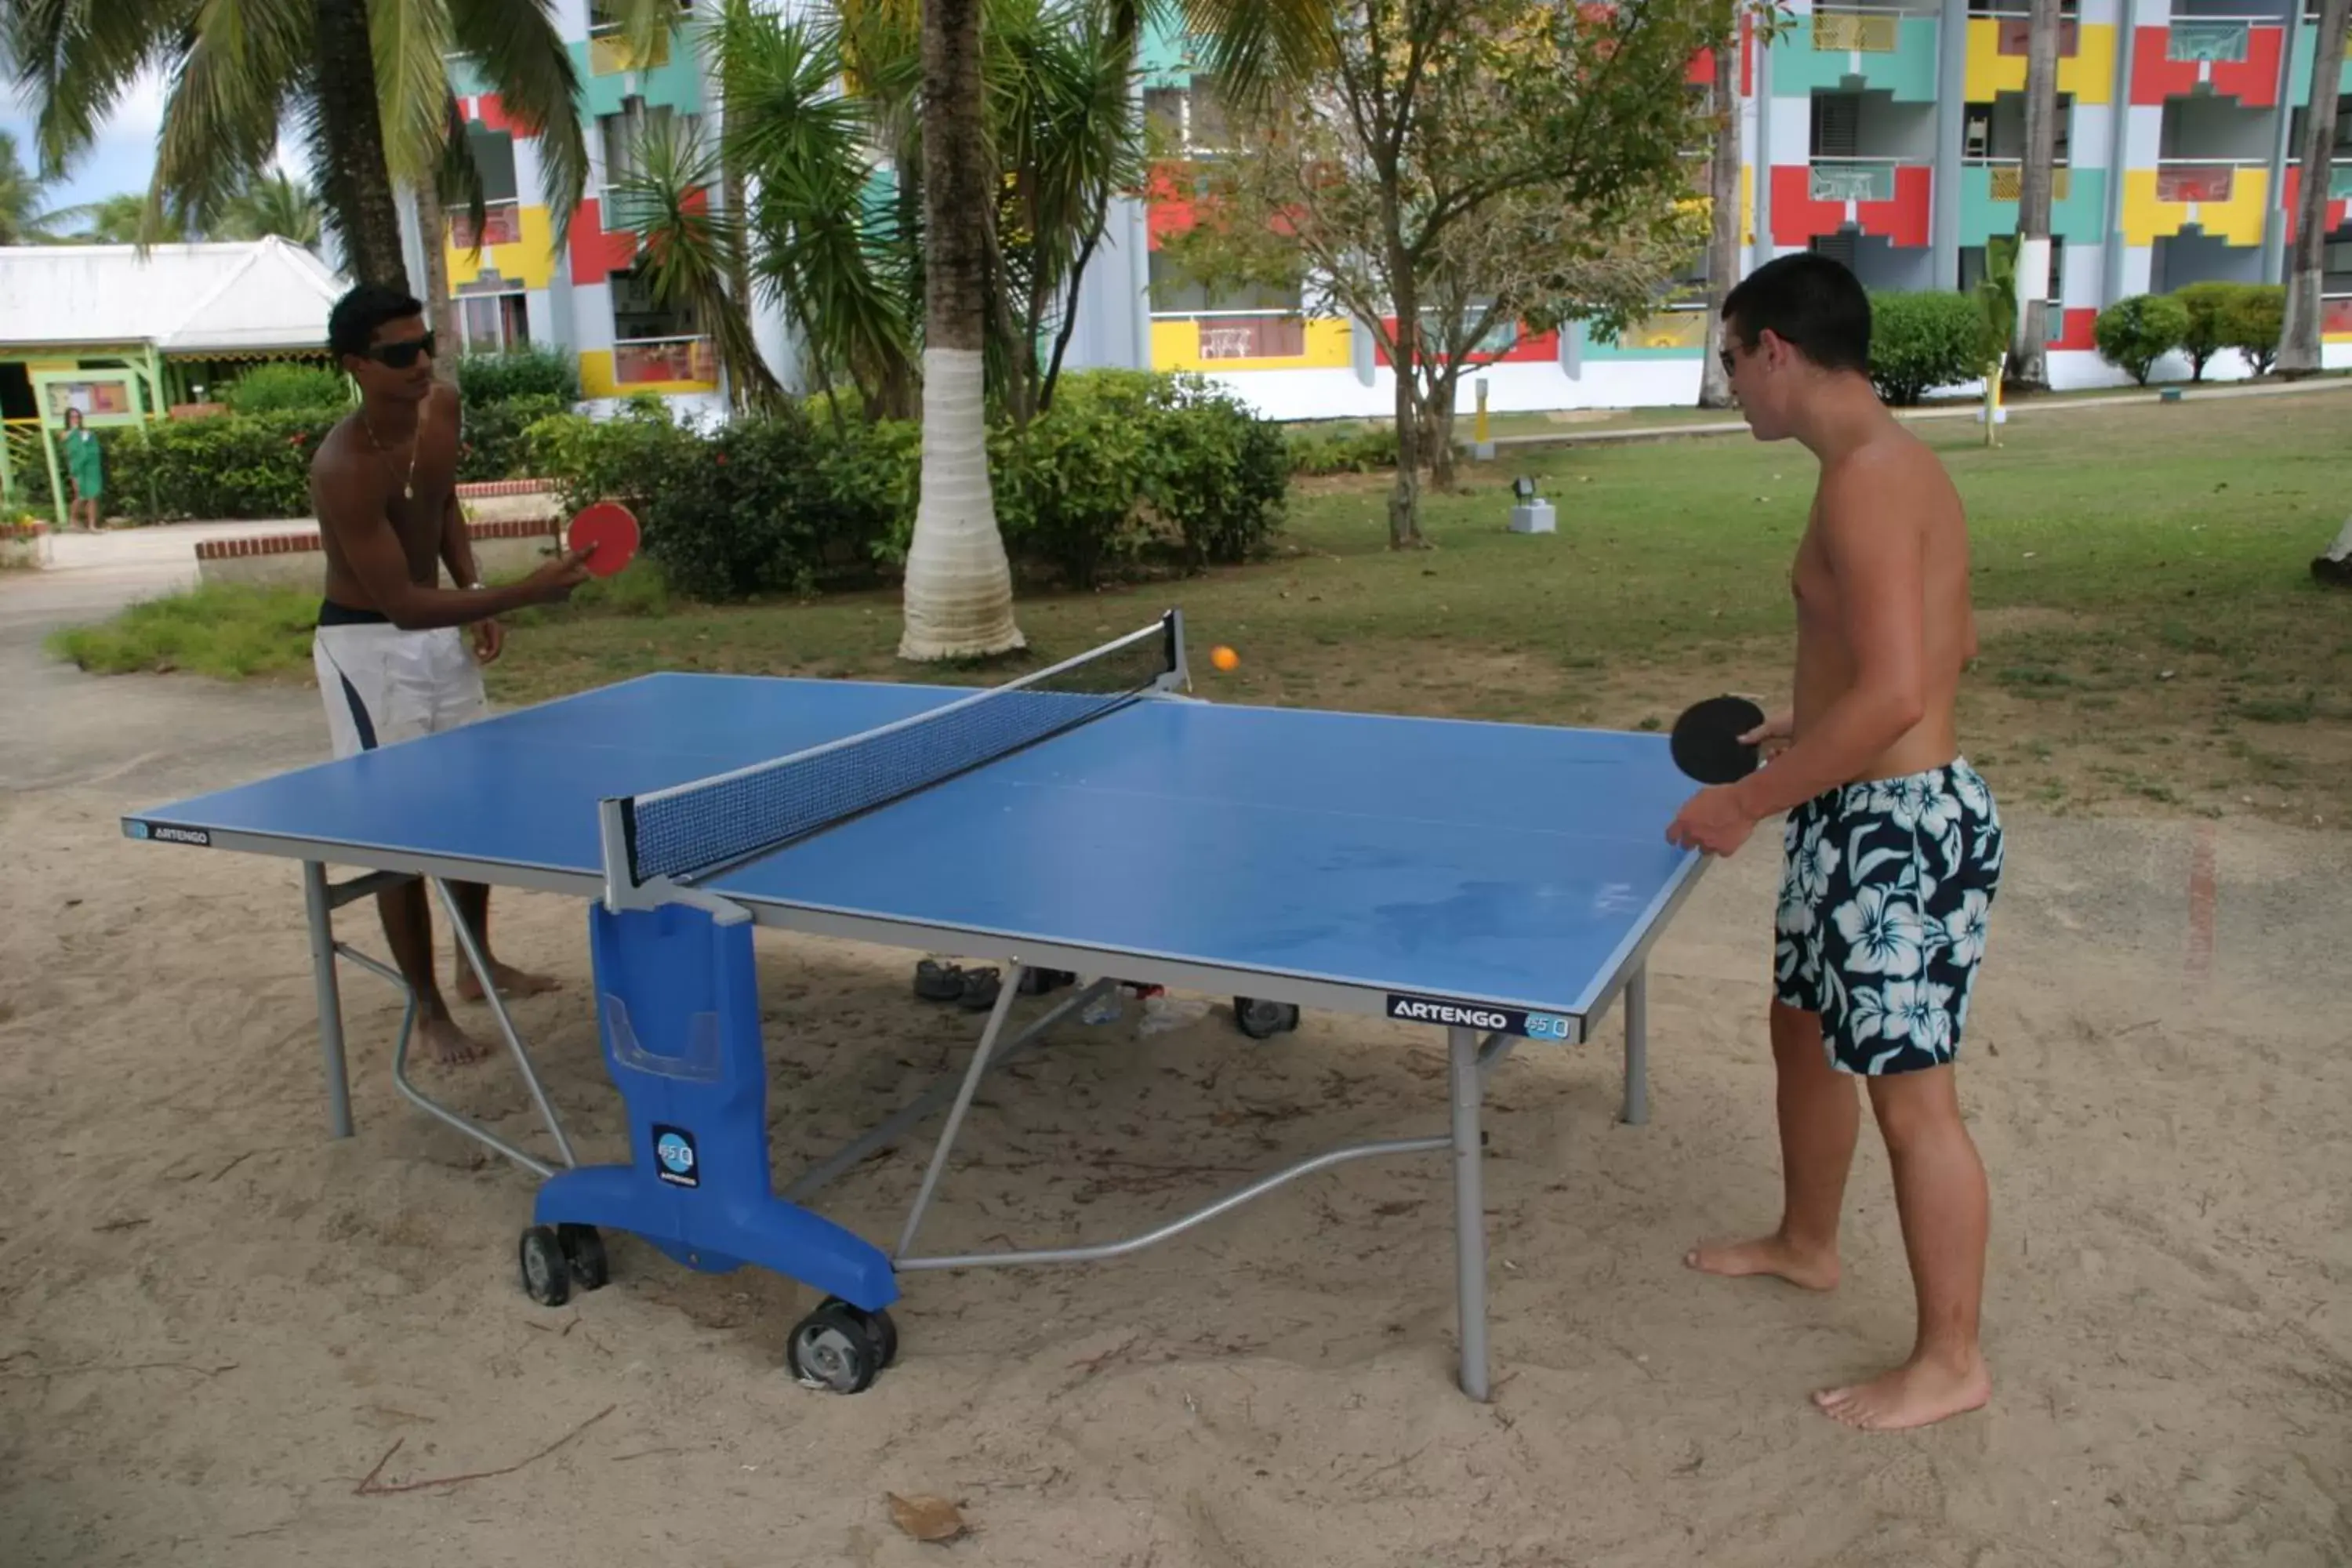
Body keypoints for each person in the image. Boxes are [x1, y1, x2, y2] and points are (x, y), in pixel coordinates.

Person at [1664, 252, 2004, 1433]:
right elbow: (1943, 652)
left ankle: (1951, 1359)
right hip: (1856, 812)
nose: (1732, 386)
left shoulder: (1866, 477)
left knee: (1916, 1103)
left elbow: (1905, 694)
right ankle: (1809, 1241)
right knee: (1800, 1030)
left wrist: (1744, 804)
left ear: (1775, 350)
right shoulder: (1889, 466)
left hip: (1897, 836)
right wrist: (1812, 726)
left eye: (1730, 359)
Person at [309, 283, 594, 1066]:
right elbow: (398, 603)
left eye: (426, 343)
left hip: (437, 628)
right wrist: (527, 591)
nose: (422, 363)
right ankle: (427, 1004)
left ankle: (478, 962)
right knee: (401, 833)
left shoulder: (442, 407)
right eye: (400, 354)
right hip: (370, 649)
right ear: (357, 366)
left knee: (474, 809)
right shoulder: (344, 465)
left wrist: (471, 592)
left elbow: (441, 503)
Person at [60, 407, 103, 531]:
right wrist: (74, 430)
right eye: (72, 417)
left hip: (90, 468)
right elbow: (66, 442)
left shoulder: (86, 432)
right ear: (68, 419)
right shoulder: (66, 433)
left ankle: (92, 525)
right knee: (80, 495)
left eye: (77, 416)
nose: (76, 419)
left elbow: (93, 447)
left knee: (92, 496)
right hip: (77, 469)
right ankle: (72, 520)